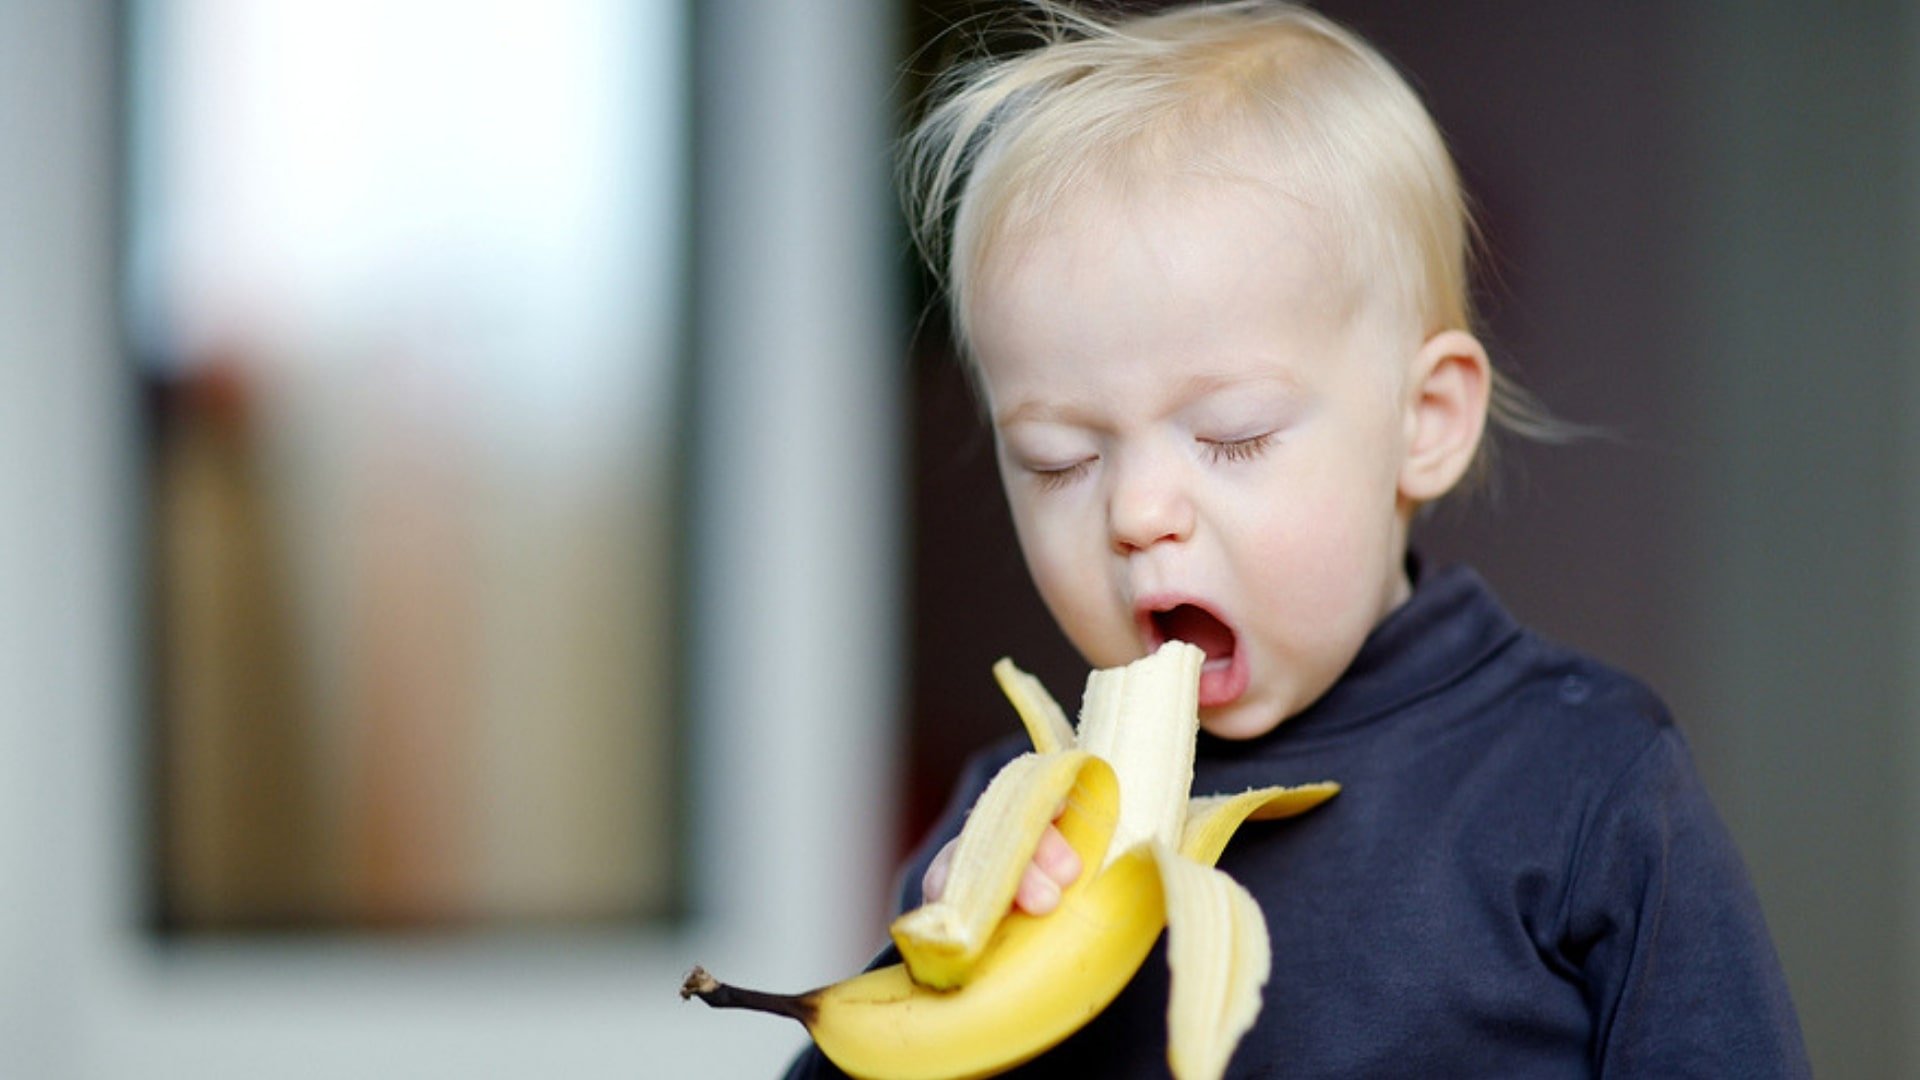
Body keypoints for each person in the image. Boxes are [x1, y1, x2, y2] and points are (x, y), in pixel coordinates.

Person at [789, 1, 1809, 1075]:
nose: (1137, 515)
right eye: (1059, 458)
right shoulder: (1016, 825)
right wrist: (957, 967)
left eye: (1232, 437)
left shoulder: (1585, 782)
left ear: (1424, 423)